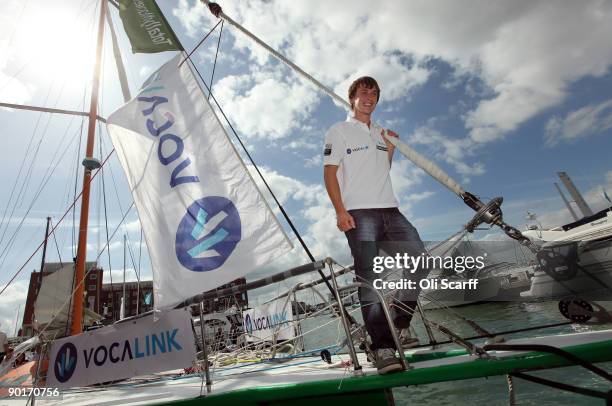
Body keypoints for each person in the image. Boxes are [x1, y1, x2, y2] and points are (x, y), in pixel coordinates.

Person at [323, 76, 427, 374]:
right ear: (352, 97)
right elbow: (329, 174)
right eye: (363, 92)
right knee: (369, 278)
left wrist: (390, 147)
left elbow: (381, 170)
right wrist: (340, 211)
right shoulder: (339, 131)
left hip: (391, 210)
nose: (369, 97)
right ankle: (382, 347)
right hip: (359, 212)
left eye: (374, 93)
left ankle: (400, 323)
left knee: (420, 262)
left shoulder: (382, 133)